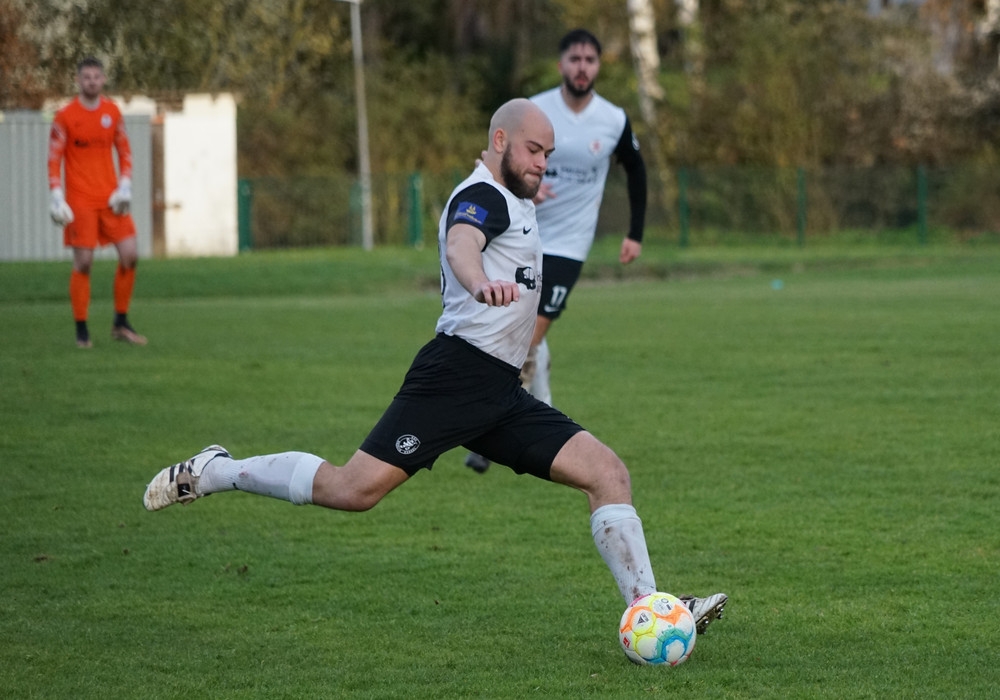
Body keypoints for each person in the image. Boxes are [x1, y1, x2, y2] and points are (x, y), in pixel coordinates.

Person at [143, 99, 727, 635]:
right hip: (454, 378)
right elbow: (461, 244)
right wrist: (479, 284)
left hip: (500, 391)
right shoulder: (482, 196)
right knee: (353, 490)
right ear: (500, 140)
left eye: (548, 154)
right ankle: (218, 470)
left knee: (607, 473)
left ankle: (652, 610)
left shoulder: (515, 199)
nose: (542, 163)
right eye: (533, 150)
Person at [465, 28, 646, 473]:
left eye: (590, 60)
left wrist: (635, 233)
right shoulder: (535, 110)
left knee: (527, 335)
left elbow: (636, 169)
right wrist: (525, 187)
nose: (582, 67)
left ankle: (491, 430)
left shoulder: (613, 119)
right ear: (562, 63)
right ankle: (542, 407)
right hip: (522, 236)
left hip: (569, 245)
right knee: (509, 326)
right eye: (575, 59)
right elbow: (498, 160)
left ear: (598, 66)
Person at [48, 57, 147, 348]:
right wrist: (56, 194)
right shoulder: (65, 116)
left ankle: (120, 323)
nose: (92, 81)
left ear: (103, 79)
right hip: (80, 200)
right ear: (78, 80)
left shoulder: (112, 112)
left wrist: (125, 183)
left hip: (111, 198)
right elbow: (54, 158)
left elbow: (124, 150)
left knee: (130, 255)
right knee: (84, 263)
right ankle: (82, 330)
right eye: (86, 77)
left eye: (96, 76)